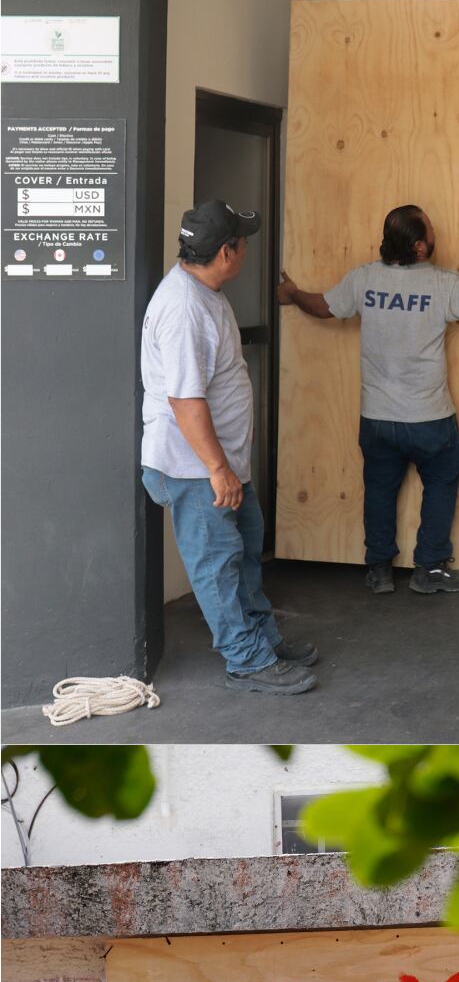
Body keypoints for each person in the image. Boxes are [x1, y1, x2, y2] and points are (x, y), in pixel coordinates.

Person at [278, 206, 459, 594]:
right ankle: (429, 569)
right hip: (430, 419)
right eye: (431, 228)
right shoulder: (443, 284)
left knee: (379, 490)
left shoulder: (364, 279)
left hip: (376, 418)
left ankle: (379, 570)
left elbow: (324, 307)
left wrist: (293, 294)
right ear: (419, 246)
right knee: (442, 483)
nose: (436, 232)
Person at [140, 200, 318, 695]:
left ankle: (262, 638)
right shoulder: (183, 308)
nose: (245, 249)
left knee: (242, 555)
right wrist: (218, 469)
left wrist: (229, 467)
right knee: (217, 564)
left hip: (221, 467)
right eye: (242, 241)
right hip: (196, 469)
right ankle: (246, 660)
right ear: (225, 252)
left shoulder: (205, 290)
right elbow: (185, 399)